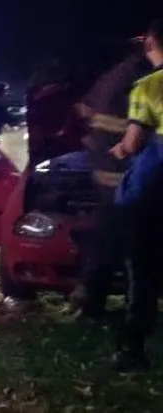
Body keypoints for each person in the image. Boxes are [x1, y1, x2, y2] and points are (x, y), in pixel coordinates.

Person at [71, 49, 146, 320]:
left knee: (107, 236)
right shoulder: (141, 78)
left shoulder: (113, 75)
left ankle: (90, 300)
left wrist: (96, 139)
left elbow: (83, 108)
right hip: (125, 172)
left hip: (105, 171)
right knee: (131, 242)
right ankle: (127, 308)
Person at [109, 19, 163, 371]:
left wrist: (121, 149)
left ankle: (132, 349)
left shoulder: (148, 86)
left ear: (150, 45)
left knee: (142, 270)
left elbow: (135, 141)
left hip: (153, 192)